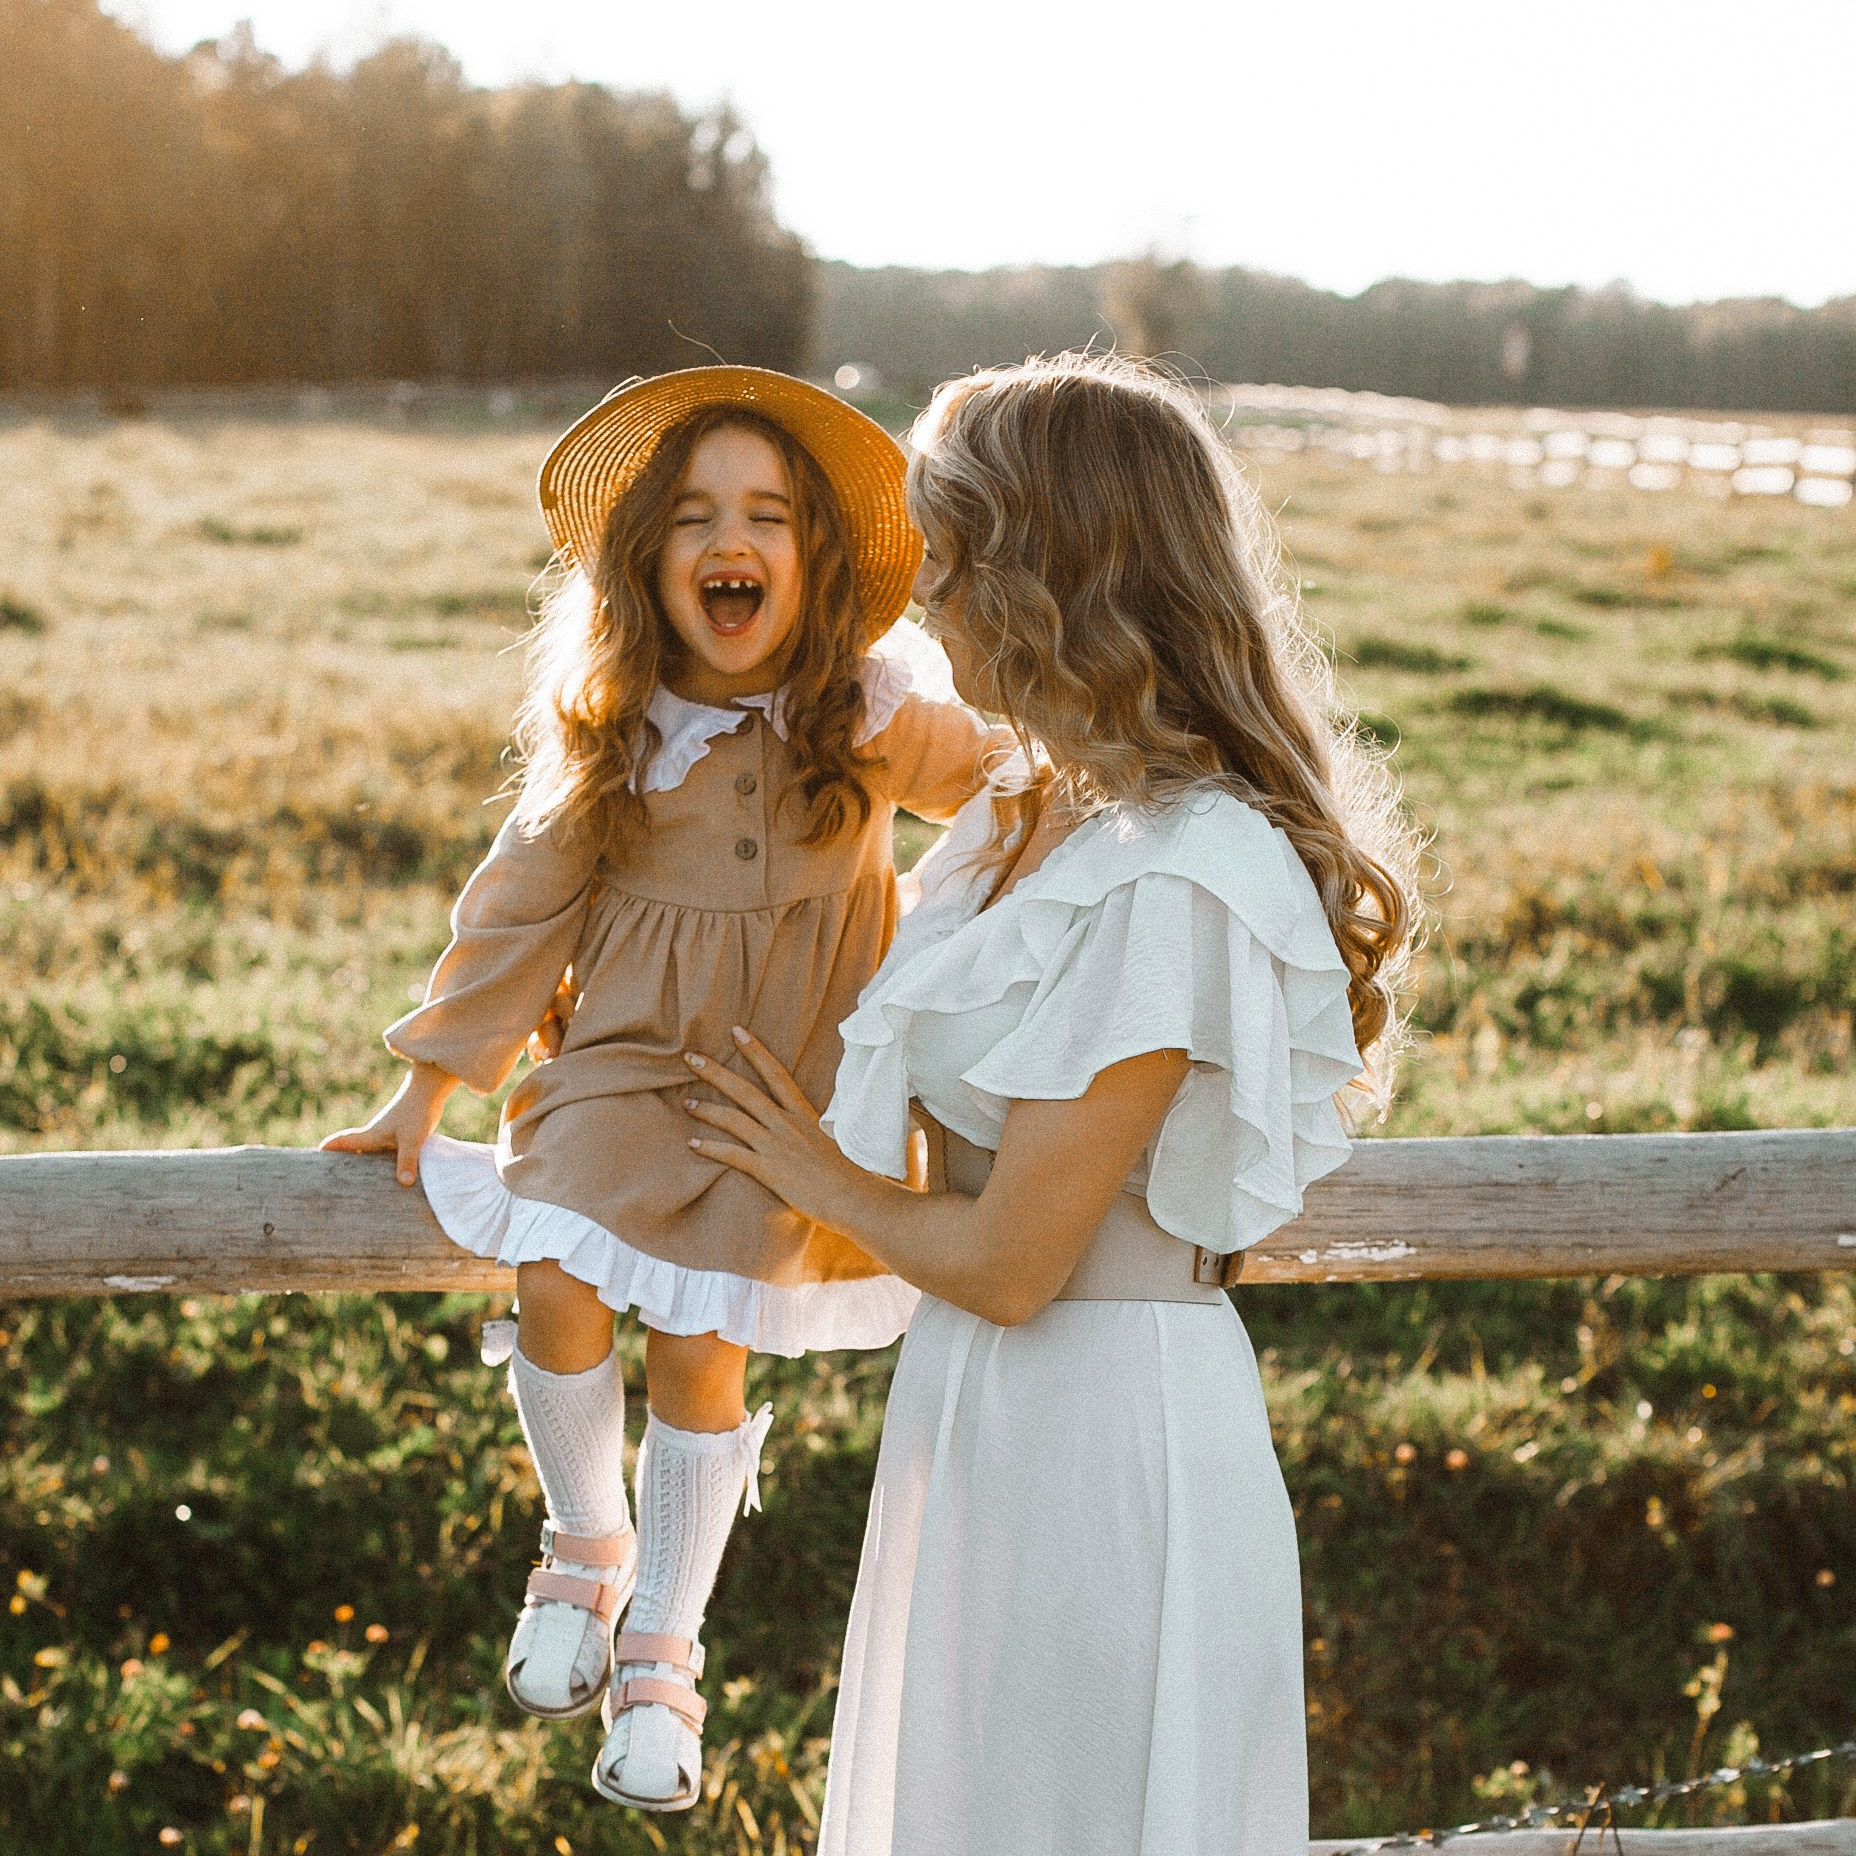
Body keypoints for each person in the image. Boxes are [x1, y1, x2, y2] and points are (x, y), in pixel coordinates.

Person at [674, 351, 1423, 1854]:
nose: (922, 601)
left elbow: (1017, 1262)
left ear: (1046, 576)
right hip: (979, 1416)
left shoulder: (1183, 869)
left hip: (1103, 1433)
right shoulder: (1032, 807)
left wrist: (812, 1174)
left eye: (945, 557)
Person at [322, 367, 1002, 1811]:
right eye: (692, 517)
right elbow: (520, 907)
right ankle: (585, 1544)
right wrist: (431, 1084)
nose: (726, 539)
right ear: (651, 564)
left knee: (702, 1346)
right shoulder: (620, 721)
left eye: (763, 514)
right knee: (556, 1272)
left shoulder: (867, 710)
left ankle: (667, 1646)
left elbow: (1011, 776)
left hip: (783, 1094)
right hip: (620, 1060)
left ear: (812, 561)